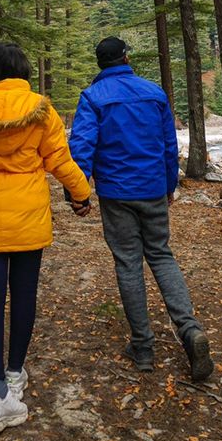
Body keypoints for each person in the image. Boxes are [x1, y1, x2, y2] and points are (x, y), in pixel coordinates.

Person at [0, 42, 92, 434]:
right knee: (24, 293)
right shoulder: (40, 109)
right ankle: (14, 374)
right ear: (23, 71)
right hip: (28, 214)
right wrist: (82, 194)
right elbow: (60, 160)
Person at [68, 36, 213, 381]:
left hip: (117, 193)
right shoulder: (153, 93)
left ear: (101, 64)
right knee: (161, 255)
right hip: (151, 189)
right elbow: (168, 145)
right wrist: (168, 187)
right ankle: (189, 330)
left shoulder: (93, 97)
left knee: (128, 263)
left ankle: (143, 347)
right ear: (126, 58)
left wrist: (77, 194)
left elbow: (82, 145)